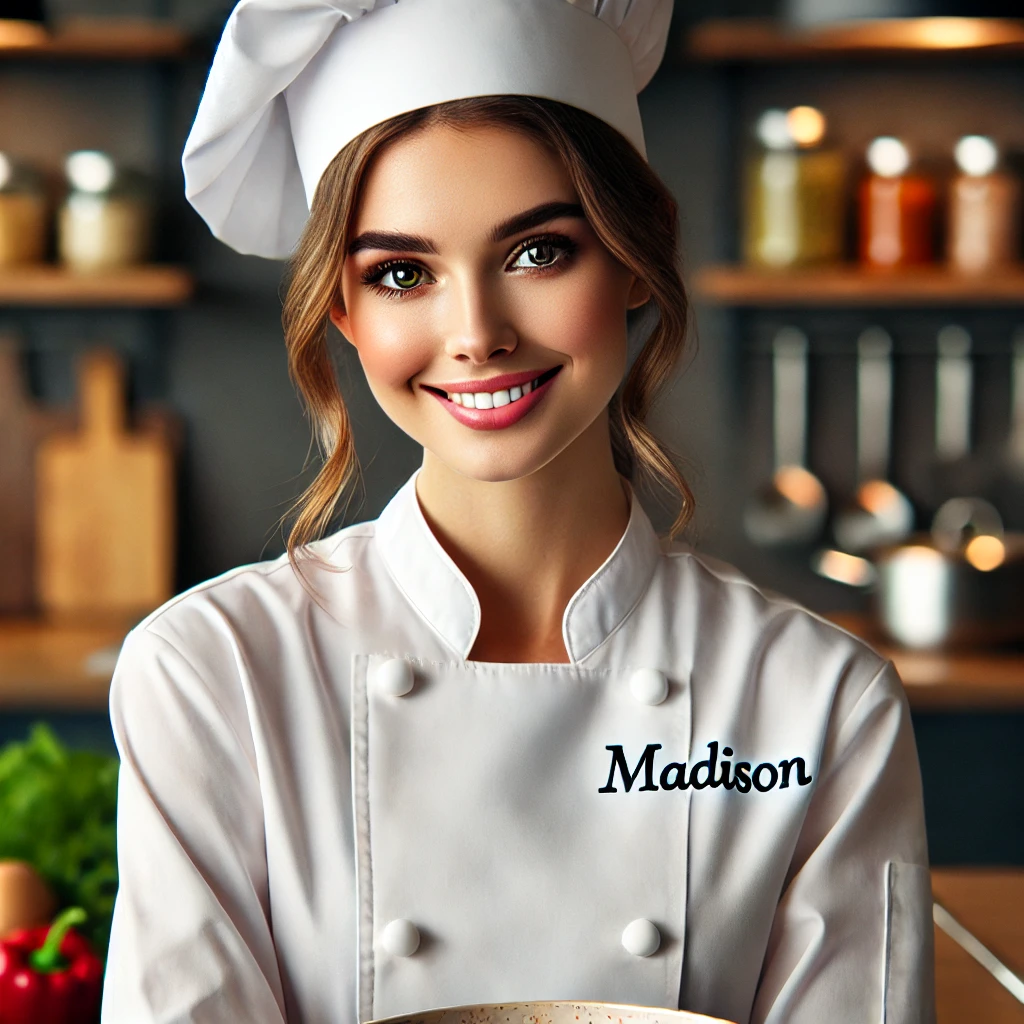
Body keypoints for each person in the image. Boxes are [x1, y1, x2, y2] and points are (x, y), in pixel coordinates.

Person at [100, 1, 935, 1022]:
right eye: (402, 273)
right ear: (344, 311)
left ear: (637, 251)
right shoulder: (214, 674)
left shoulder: (817, 704)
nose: (476, 333)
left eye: (538, 252)